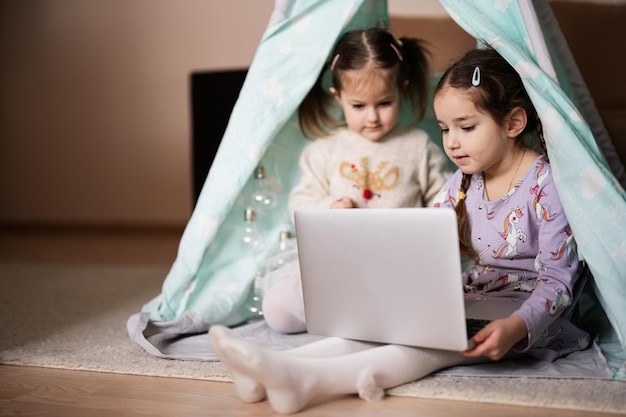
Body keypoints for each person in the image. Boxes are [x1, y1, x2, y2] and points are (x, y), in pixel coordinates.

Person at [209, 47, 590, 414]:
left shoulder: (547, 183)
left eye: (466, 127)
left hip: (528, 318)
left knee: (420, 348)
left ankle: (306, 381)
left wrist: (516, 326)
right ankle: (267, 369)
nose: (452, 142)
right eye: (444, 129)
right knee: (372, 332)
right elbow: (420, 244)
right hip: (471, 298)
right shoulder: (462, 181)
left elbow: (559, 281)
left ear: (513, 123)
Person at [260, 27, 452, 334]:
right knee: (279, 311)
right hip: (338, 263)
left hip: (397, 263)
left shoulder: (418, 146)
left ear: (400, 90)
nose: (372, 117)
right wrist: (330, 206)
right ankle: (355, 313)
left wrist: (426, 232)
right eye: (359, 106)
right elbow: (299, 204)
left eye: (384, 103)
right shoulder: (323, 150)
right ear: (339, 98)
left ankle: (369, 316)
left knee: (423, 312)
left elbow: (444, 201)